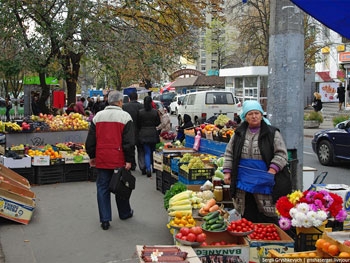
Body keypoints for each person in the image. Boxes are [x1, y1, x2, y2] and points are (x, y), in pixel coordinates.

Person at [222, 100, 288, 224]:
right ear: (245, 117)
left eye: (257, 113)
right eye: (250, 114)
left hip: (265, 179)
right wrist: (227, 172)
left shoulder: (272, 133)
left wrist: (272, 170)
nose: (254, 116)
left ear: (261, 115)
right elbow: (229, 153)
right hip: (243, 181)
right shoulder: (238, 134)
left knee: (266, 214)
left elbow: (281, 154)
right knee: (247, 212)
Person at [85, 91, 135, 230]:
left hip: (102, 157)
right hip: (118, 158)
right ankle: (124, 213)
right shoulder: (125, 117)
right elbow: (129, 142)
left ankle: (105, 220)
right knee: (121, 185)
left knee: (102, 187)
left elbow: (90, 141)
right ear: (119, 102)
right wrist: (129, 159)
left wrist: (92, 156)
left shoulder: (98, 117)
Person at [137, 96, 161, 177]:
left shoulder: (140, 112)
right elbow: (158, 123)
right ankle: (154, 167)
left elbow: (138, 123)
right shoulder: (155, 112)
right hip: (153, 133)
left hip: (143, 133)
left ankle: (148, 169)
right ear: (151, 102)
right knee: (153, 151)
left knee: (147, 152)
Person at [122, 92, 145, 173]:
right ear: (137, 97)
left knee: (130, 148)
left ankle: (132, 164)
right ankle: (142, 165)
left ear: (129, 98)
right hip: (140, 131)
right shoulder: (142, 106)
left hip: (128, 131)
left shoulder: (124, 107)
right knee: (141, 149)